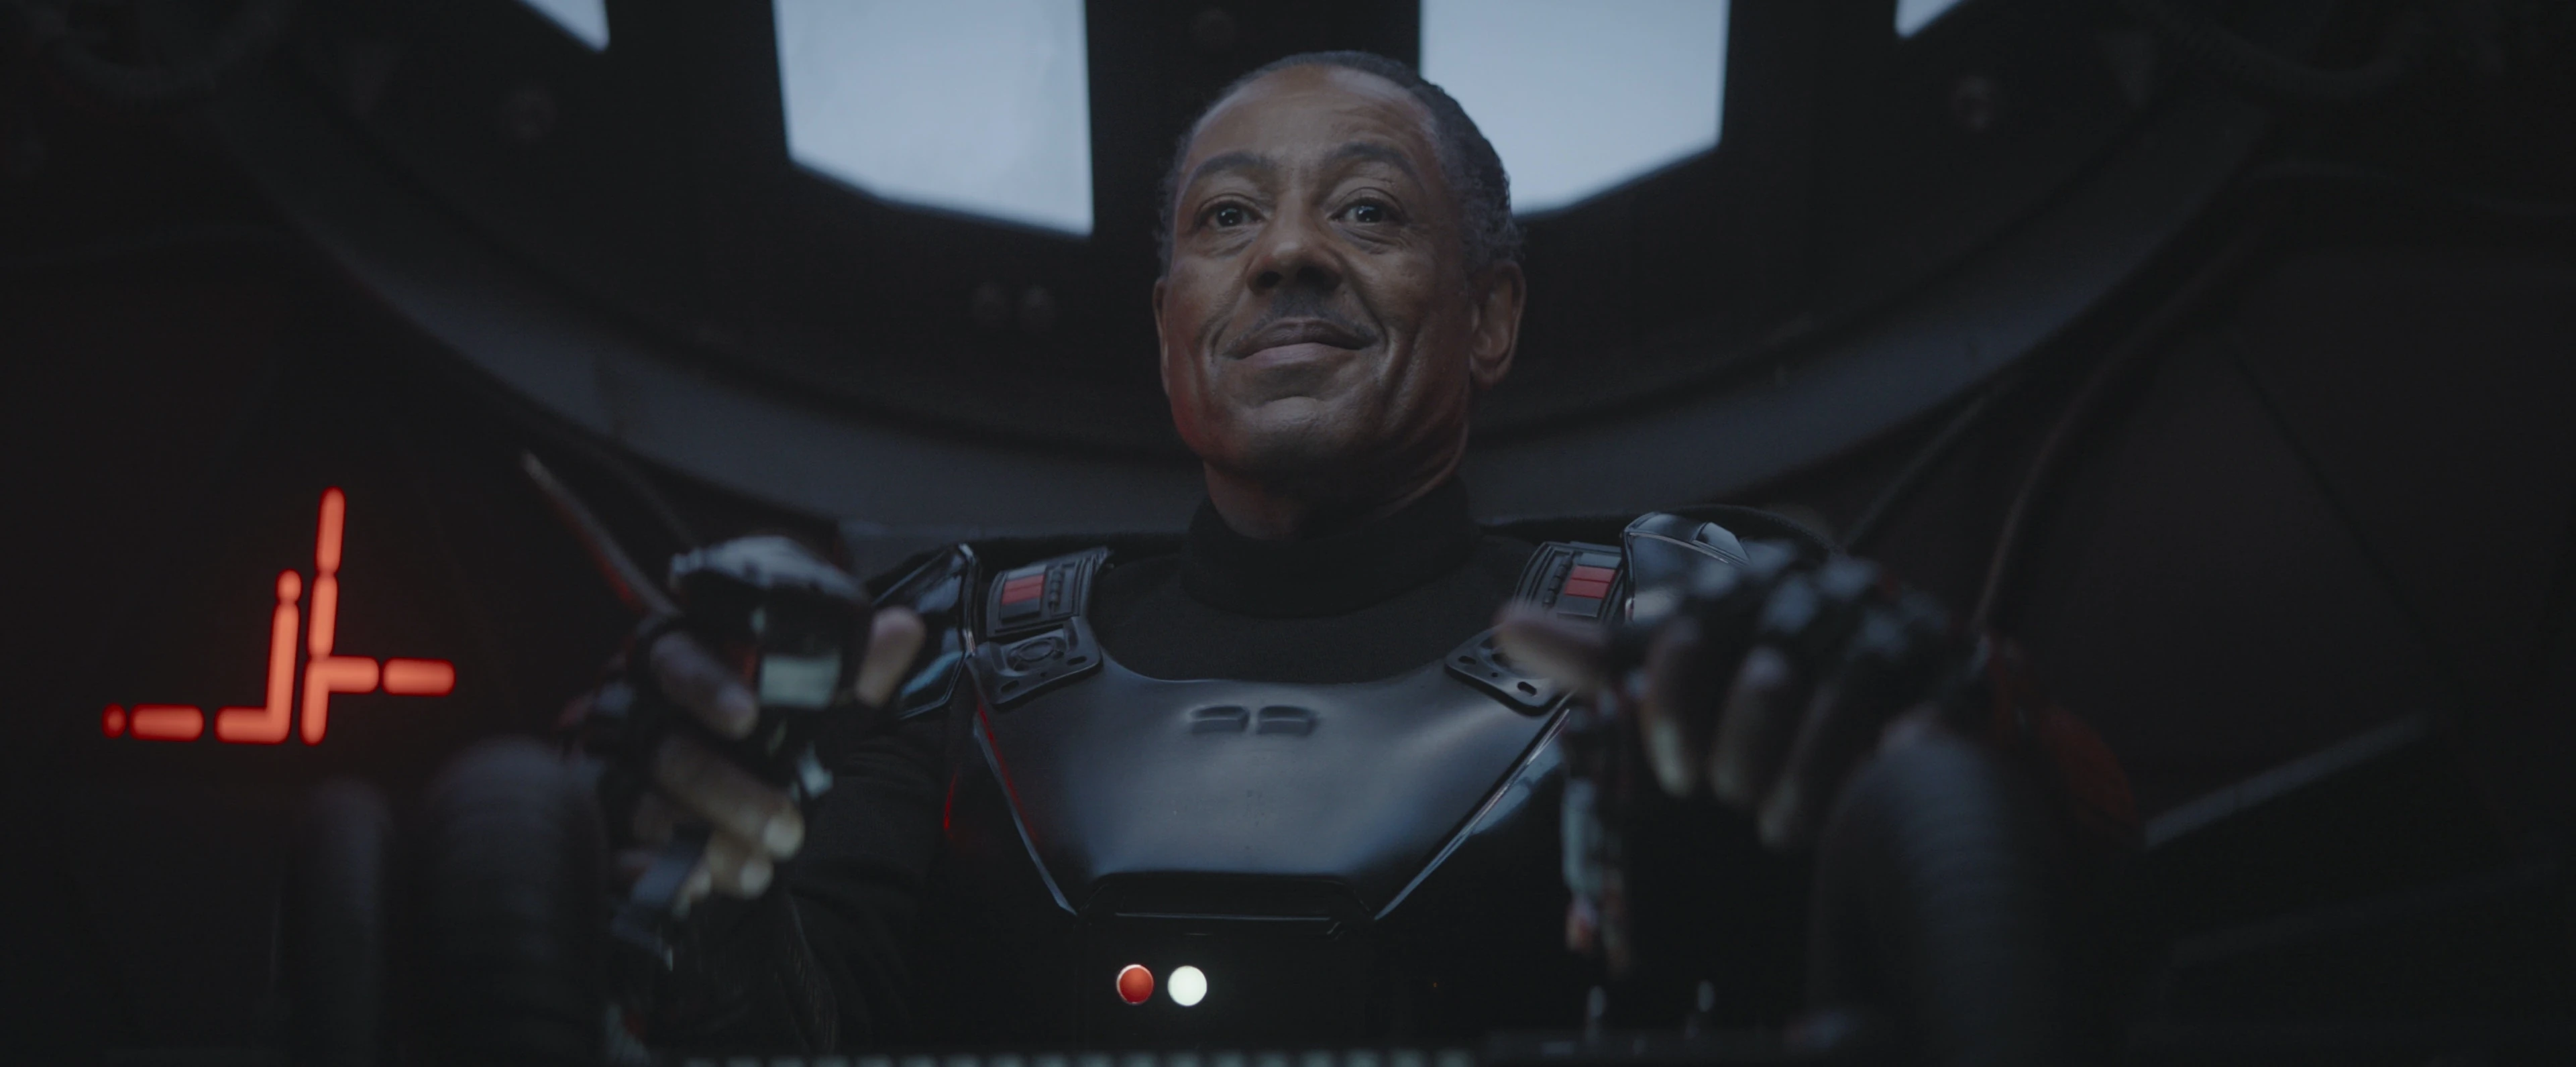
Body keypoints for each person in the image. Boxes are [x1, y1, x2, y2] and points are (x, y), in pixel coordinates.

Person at [574, 50, 2134, 1053]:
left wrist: (1962, 732)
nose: (1290, 257)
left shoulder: (1697, 627)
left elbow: (2043, 947)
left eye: (1371, 212)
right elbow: (781, 1027)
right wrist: (683, 870)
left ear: (1492, 318)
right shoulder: (944, 652)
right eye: (1226, 222)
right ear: (1172, 330)